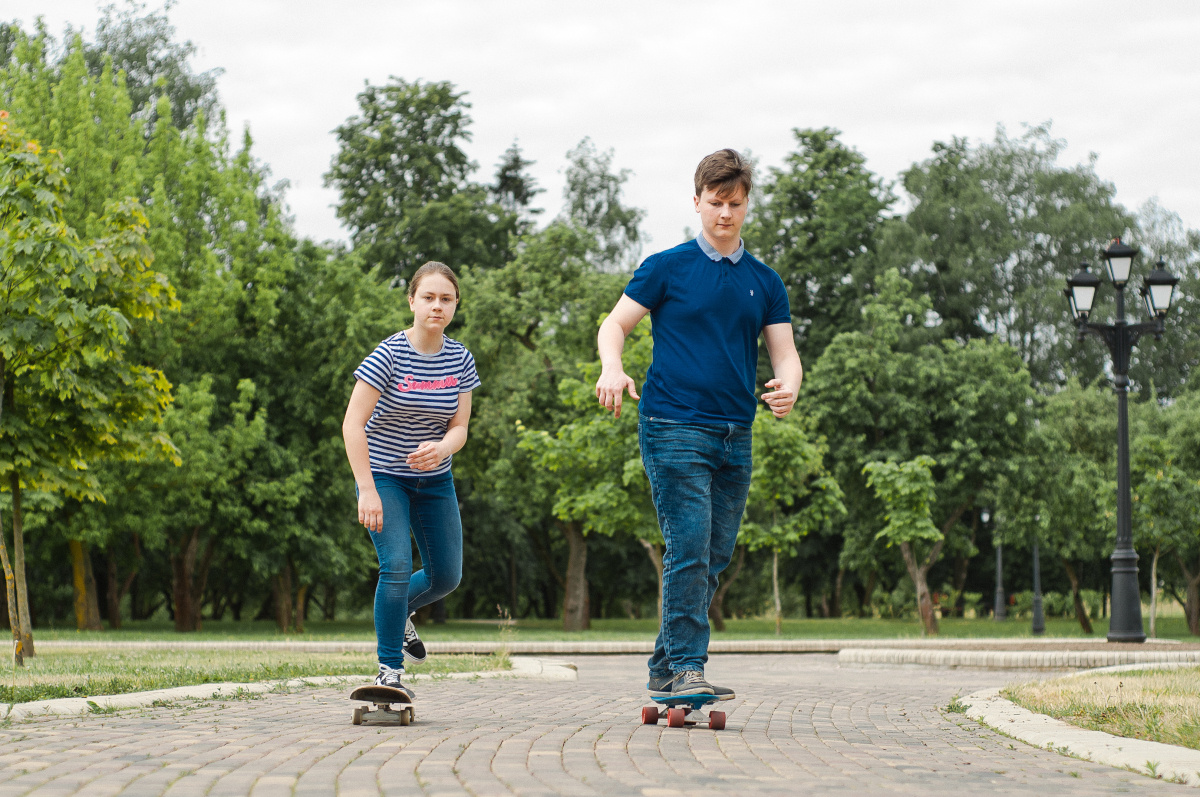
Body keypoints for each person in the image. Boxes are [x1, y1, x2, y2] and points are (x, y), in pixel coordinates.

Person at [595, 149, 802, 699]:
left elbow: (784, 353)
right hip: (672, 424)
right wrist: (613, 368)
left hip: (736, 432)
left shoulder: (765, 281)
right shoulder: (666, 267)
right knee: (688, 545)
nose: (725, 214)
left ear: (746, 204)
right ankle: (688, 666)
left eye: (735, 204)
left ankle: (665, 666)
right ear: (697, 202)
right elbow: (614, 325)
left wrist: (790, 385)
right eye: (715, 203)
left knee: (714, 555)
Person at [342, 261, 480, 696]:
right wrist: (366, 488)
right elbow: (352, 423)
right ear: (412, 302)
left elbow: (460, 427)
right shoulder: (389, 355)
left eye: (446, 299)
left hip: (435, 481)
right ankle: (389, 669)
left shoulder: (459, 358)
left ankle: (399, 612)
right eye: (428, 297)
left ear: (455, 305)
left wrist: (443, 448)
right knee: (397, 565)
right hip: (385, 477)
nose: (436, 306)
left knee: (446, 576)